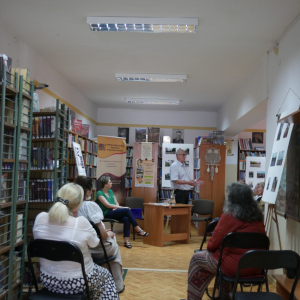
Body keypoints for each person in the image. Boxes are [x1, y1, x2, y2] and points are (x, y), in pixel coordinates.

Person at [33, 183, 118, 300]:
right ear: (78, 205)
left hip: (47, 279)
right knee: (106, 277)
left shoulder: (40, 218)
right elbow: (94, 243)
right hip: (78, 281)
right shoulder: (81, 223)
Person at [187, 182, 266, 300]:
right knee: (223, 259)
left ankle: (193, 298)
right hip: (256, 266)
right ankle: (224, 296)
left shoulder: (229, 216)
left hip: (232, 267)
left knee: (197, 259)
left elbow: (211, 245)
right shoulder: (258, 218)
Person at [75, 176, 125, 293]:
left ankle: (109, 280)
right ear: (87, 192)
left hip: (77, 247)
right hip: (94, 248)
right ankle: (117, 284)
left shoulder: (70, 206)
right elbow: (102, 235)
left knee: (110, 240)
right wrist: (107, 233)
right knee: (113, 243)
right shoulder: (89, 206)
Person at [96, 176, 149, 249]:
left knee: (126, 218)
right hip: (106, 213)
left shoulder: (110, 191)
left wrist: (117, 208)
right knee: (127, 210)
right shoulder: (99, 193)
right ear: (105, 184)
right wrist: (121, 207)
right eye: (110, 182)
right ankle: (138, 229)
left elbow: (116, 202)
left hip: (114, 211)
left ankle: (126, 242)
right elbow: (107, 205)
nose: (112, 183)